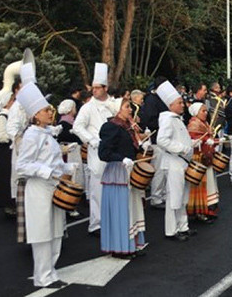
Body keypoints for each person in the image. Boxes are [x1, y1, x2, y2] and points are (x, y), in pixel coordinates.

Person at [16, 82, 77, 288]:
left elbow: (54, 160)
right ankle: (42, 275)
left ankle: (51, 272)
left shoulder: (48, 134)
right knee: (42, 233)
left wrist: (67, 168)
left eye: (50, 110)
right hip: (40, 189)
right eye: (45, 110)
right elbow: (22, 166)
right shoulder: (31, 135)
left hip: (54, 187)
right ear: (35, 115)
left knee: (56, 230)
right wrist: (47, 172)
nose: (50, 113)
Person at [72, 63, 121, 236]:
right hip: (98, 152)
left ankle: (114, 220)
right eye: (92, 88)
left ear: (105, 88)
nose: (94, 91)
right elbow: (77, 127)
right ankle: (96, 224)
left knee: (115, 186)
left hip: (115, 152)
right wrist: (92, 140)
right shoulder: (87, 107)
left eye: (97, 88)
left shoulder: (115, 104)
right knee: (97, 190)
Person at [98, 98, 148, 259]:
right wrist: (121, 159)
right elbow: (103, 153)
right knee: (122, 211)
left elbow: (128, 147)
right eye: (127, 107)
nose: (131, 109)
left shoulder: (127, 126)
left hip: (128, 172)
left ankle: (131, 245)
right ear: (117, 110)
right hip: (117, 174)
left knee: (131, 209)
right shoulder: (110, 127)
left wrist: (141, 148)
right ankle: (120, 248)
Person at [156, 80, 200, 241]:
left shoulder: (177, 118)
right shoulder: (168, 119)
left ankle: (183, 226)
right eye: (179, 102)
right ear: (171, 105)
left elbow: (180, 138)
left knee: (182, 197)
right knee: (174, 198)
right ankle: (172, 230)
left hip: (181, 163)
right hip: (174, 163)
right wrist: (182, 148)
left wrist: (193, 143)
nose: (183, 105)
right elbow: (162, 140)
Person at [186, 103, 220, 223]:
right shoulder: (194, 124)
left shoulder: (204, 123)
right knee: (200, 187)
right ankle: (200, 211)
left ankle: (208, 209)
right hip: (199, 158)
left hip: (206, 157)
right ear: (196, 112)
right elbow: (191, 140)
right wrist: (204, 141)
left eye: (206, 111)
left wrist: (215, 141)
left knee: (209, 184)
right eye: (203, 111)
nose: (206, 113)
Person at [138, 77, 169, 209]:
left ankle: (162, 194)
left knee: (165, 168)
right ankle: (156, 197)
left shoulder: (160, 98)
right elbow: (150, 119)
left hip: (164, 135)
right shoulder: (151, 99)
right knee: (159, 169)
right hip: (157, 137)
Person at [0, 85, 18, 216]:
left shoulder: (12, 116)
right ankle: (7, 204)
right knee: (6, 178)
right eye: (13, 100)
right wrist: (12, 135)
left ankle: (12, 202)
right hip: (5, 151)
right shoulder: (3, 116)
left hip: (11, 150)